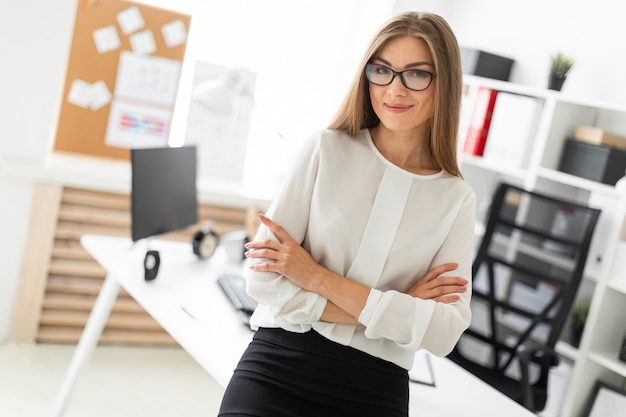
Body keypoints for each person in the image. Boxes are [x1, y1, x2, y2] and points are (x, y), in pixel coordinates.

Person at [218, 11, 476, 417]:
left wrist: (316, 278)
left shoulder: (456, 198)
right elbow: (263, 279)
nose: (395, 89)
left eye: (416, 74)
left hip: (375, 387)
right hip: (279, 364)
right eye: (382, 70)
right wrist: (398, 306)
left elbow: (443, 332)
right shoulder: (326, 150)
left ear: (444, 84)